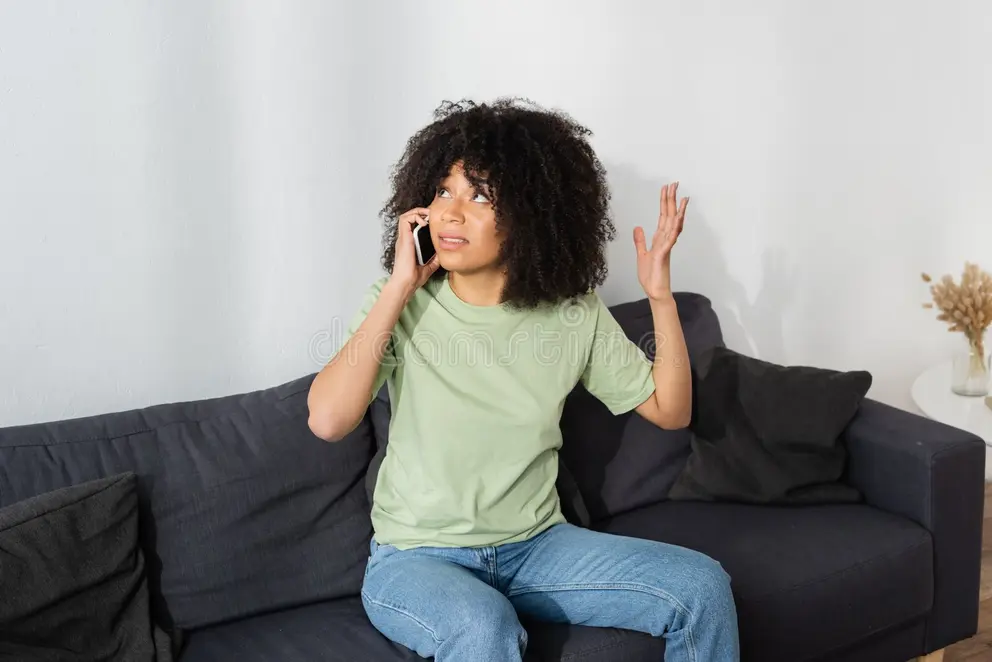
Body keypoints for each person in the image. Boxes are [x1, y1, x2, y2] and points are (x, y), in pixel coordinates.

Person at [306, 98, 740, 662]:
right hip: (417, 558)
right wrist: (397, 288)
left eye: (479, 195)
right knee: (485, 628)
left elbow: (671, 411)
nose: (450, 213)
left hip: (536, 548)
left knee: (701, 588)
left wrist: (660, 295)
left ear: (532, 212)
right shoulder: (403, 306)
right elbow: (328, 420)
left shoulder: (572, 312)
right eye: (442, 191)